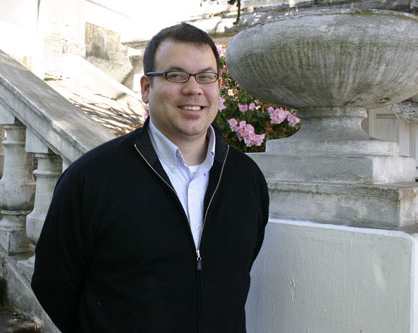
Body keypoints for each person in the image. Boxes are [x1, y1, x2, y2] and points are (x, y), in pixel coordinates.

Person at [31, 22, 269, 333]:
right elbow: (53, 283)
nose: (194, 88)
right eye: (176, 75)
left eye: (206, 76)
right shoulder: (91, 179)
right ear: (146, 88)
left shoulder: (246, 179)